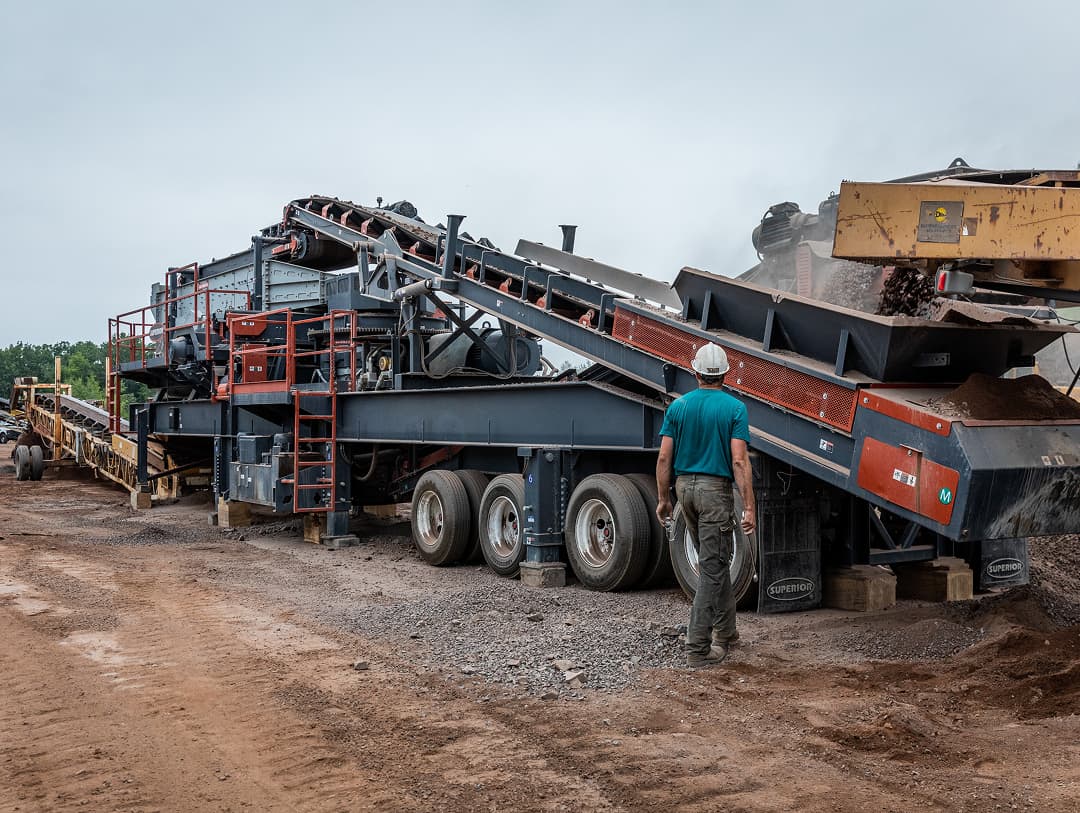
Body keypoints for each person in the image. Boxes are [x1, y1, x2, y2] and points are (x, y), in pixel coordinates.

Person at [656, 343, 755, 668]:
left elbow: (663, 457)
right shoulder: (734, 408)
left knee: (715, 560)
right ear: (725, 374)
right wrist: (749, 507)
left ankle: (726, 630)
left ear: (695, 372)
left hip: (685, 490)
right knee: (713, 567)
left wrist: (663, 500)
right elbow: (739, 460)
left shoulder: (678, 407)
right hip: (715, 493)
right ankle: (697, 647)